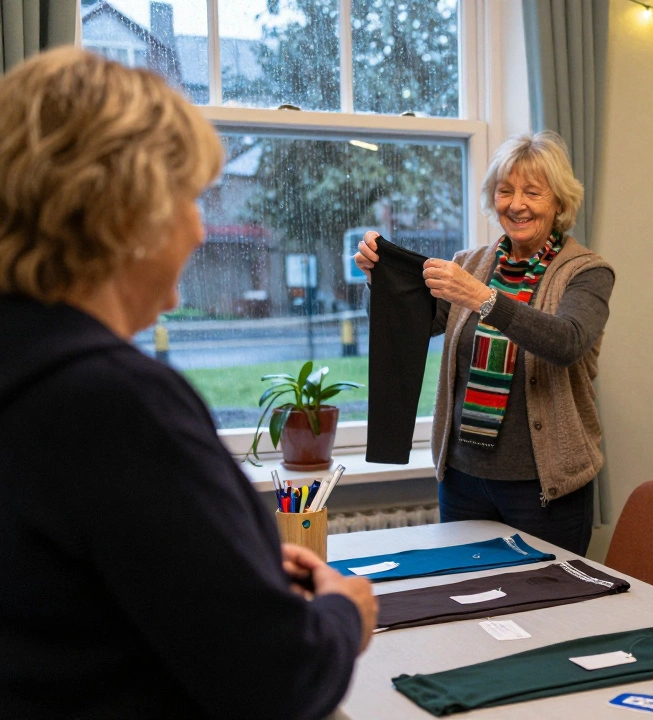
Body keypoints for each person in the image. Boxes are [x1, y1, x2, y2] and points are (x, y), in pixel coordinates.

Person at [0, 49, 377, 719]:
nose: (201, 228)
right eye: (190, 200)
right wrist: (342, 616)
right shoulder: (115, 403)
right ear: (128, 212)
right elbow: (275, 678)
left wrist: (235, 567)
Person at [355, 131, 613, 556]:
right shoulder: (469, 264)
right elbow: (416, 327)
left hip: (544, 487)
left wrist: (482, 298)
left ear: (560, 203)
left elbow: (566, 342)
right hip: (462, 480)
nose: (516, 204)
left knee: (548, 608)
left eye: (533, 192)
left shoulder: (587, 272)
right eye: (505, 190)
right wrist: (377, 282)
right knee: (466, 598)